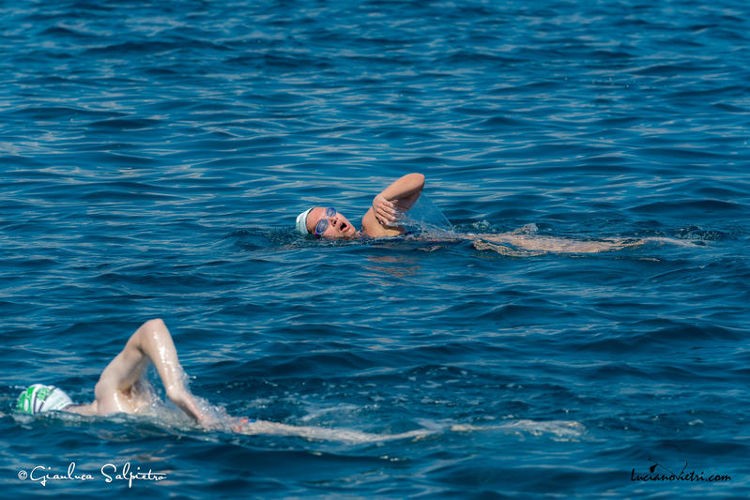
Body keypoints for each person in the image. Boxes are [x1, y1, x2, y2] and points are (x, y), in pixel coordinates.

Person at [14, 319, 428, 443]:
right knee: (324, 437)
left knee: (336, 439)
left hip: (217, 431)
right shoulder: (109, 424)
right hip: (221, 433)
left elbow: (151, 328)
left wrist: (179, 392)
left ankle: (392, 441)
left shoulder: (105, 394)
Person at [294, 173, 686, 254]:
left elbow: (417, 178)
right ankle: (651, 244)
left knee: (579, 249)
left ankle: (655, 243)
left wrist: (383, 193)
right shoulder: (361, 252)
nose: (333, 219)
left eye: (330, 211)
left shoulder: (370, 222)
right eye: (322, 225)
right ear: (318, 240)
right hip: (471, 250)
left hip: (473, 243)